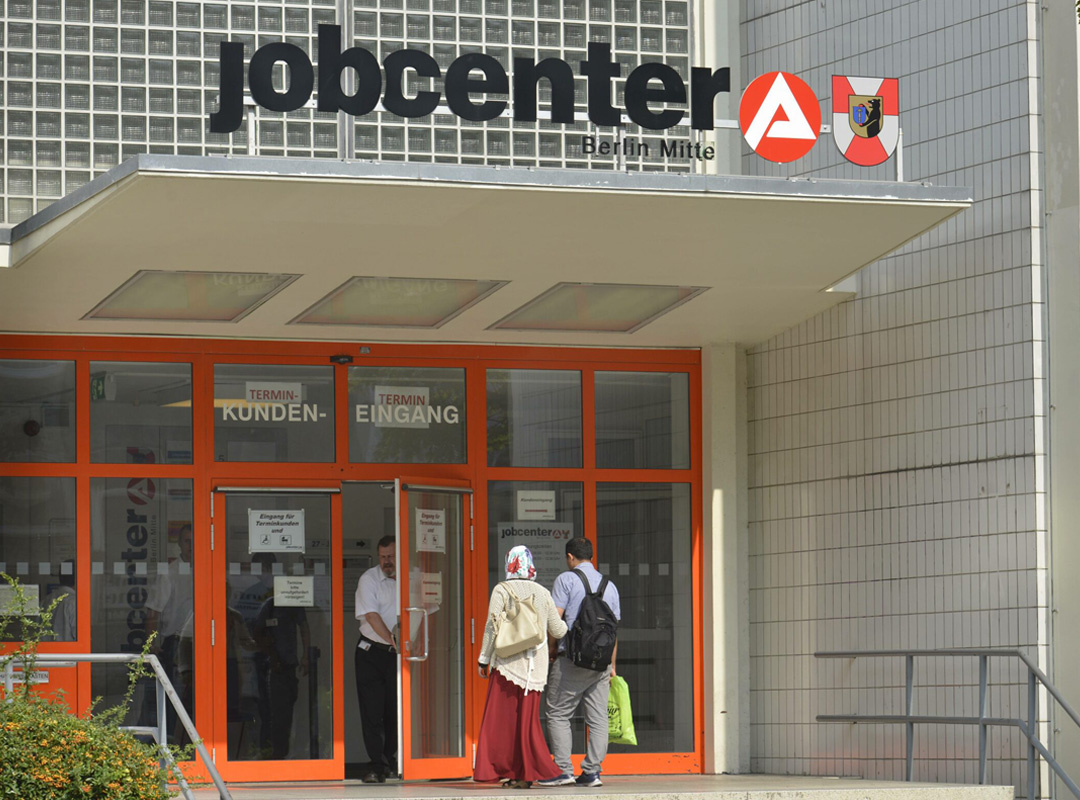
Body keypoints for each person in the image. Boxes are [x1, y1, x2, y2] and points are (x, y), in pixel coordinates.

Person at [474, 545, 567, 789]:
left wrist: (484, 658)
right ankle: (526, 774)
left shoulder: (502, 589)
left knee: (501, 724)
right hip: (535, 669)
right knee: (527, 724)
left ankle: (509, 770)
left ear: (510, 564)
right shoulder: (543, 593)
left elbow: (492, 626)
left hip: (507, 665)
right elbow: (558, 630)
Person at [537, 538, 621, 789]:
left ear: (570, 557)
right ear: (591, 557)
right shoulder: (610, 586)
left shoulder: (566, 579)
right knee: (598, 719)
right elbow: (613, 630)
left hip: (572, 660)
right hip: (601, 663)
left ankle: (563, 770)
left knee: (558, 713)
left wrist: (552, 649)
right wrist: (612, 665)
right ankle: (592, 772)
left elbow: (555, 620)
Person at [144, 523, 194, 742]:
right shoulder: (169, 573)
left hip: (203, 642)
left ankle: (195, 746)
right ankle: (173, 746)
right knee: (175, 699)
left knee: (199, 698)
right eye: (187, 541)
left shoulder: (207, 568)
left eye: (195, 542)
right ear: (179, 544)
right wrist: (152, 645)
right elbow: (153, 612)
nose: (191, 546)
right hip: (177, 643)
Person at [354, 535, 399, 783]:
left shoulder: (413, 576)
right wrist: (394, 640)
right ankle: (375, 765)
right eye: (382, 557)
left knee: (395, 710)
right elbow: (371, 616)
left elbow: (428, 609)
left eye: (390, 556)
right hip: (371, 652)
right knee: (372, 712)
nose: (386, 561)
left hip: (399, 654)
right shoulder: (369, 579)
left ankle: (389, 759)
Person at [252, 579, 311, 759]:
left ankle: (287, 752)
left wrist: (306, 656)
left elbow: (304, 628)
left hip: (291, 667)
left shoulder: (294, 606)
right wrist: (271, 653)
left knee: (291, 712)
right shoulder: (270, 606)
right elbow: (257, 632)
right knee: (274, 714)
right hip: (273, 667)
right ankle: (275, 754)